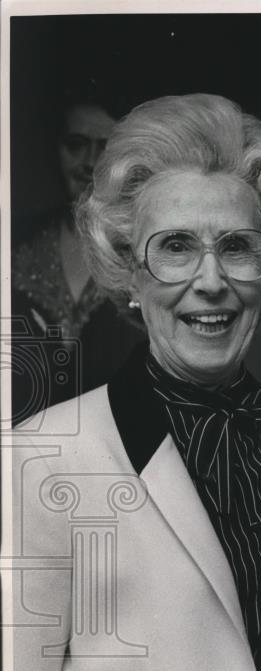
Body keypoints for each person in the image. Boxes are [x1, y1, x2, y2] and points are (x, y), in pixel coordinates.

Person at [7, 94, 261, 671]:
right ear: (129, 275)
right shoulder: (39, 458)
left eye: (238, 247)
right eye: (175, 247)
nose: (211, 279)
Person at [10, 84, 145, 424]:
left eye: (105, 148)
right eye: (76, 146)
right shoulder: (15, 244)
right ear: (55, 149)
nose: (89, 163)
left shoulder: (147, 252)